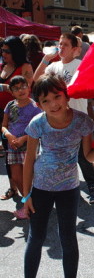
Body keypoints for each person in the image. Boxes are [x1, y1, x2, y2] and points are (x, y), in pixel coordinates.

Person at [21, 74, 94, 278]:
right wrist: (26, 196)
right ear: (39, 104)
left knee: (68, 237)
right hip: (40, 188)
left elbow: (87, 156)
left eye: (56, 96)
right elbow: (29, 160)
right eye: (45, 101)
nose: (53, 104)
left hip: (69, 188)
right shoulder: (37, 123)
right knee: (35, 237)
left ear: (66, 94)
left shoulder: (82, 121)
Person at [34, 33, 94, 204]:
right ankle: (66, 188)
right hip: (57, 120)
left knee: (83, 156)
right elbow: (36, 80)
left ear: (75, 50)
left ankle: (93, 187)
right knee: (62, 156)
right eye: (60, 43)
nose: (61, 47)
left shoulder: (80, 65)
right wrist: (45, 59)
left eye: (65, 44)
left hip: (77, 120)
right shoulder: (53, 67)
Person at [1, 76, 41, 219]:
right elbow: (4, 125)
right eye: (16, 89)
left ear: (28, 87)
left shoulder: (36, 107)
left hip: (29, 145)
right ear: (11, 92)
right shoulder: (10, 105)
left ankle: (29, 205)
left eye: (23, 86)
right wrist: (9, 136)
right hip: (13, 145)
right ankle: (28, 201)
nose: (21, 90)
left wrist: (24, 138)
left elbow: (39, 128)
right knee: (17, 177)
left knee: (30, 175)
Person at [0, 35, 34, 200]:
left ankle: (30, 194)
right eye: (2, 51)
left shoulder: (25, 66)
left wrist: (5, 87)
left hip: (21, 115)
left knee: (25, 158)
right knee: (9, 153)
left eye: (7, 51)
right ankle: (13, 188)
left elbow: (26, 87)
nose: (3, 54)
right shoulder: (3, 66)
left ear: (15, 51)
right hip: (4, 112)